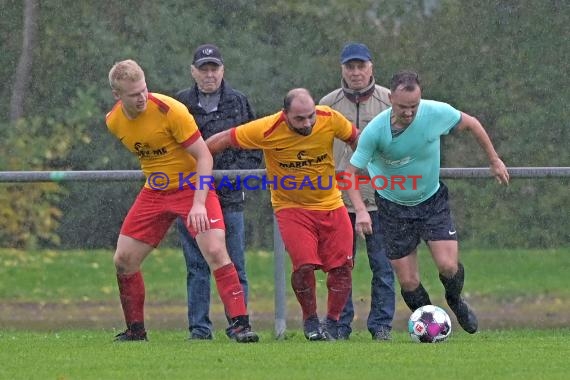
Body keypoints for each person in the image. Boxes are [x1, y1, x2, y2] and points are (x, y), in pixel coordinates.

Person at [105, 59, 258, 343]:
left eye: (144, 90)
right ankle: (135, 331)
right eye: (133, 94)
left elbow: (204, 157)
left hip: (191, 187)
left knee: (214, 250)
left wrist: (199, 203)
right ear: (118, 95)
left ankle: (240, 325)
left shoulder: (170, 110)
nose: (142, 98)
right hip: (156, 190)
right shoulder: (114, 121)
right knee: (123, 260)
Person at [345, 70, 510, 334]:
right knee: (409, 282)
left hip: (432, 201)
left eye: (414, 106)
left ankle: (455, 301)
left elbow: (472, 124)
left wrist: (494, 159)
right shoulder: (375, 131)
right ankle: (431, 323)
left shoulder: (435, 113)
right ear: (390, 98)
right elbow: (350, 175)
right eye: (402, 107)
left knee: (448, 266)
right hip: (393, 208)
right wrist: (362, 211)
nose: (409, 113)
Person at [205, 88, 358, 341]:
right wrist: (195, 165)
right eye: (300, 118)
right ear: (285, 114)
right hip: (291, 208)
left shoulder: (330, 118)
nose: (308, 123)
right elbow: (222, 140)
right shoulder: (266, 128)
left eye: (310, 116)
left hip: (331, 203)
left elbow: (356, 139)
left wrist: (359, 164)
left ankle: (332, 323)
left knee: (342, 268)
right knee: (304, 265)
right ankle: (310, 320)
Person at [174, 44, 262, 340]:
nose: (209, 74)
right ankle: (199, 329)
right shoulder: (181, 104)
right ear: (193, 72)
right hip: (191, 196)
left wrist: (236, 177)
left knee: (234, 263)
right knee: (197, 265)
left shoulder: (238, 102)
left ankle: (239, 325)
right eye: (203, 69)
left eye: (214, 68)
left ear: (223, 70)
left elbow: (253, 144)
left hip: (229, 197)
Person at [319, 42, 395, 341]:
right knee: (339, 267)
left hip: (382, 197)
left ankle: (382, 326)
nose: (356, 72)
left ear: (371, 67)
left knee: (383, 267)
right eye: (350, 67)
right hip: (338, 199)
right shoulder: (326, 104)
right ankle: (339, 325)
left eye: (361, 66)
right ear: (342, 69)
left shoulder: (390, 100)